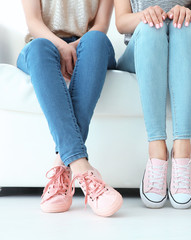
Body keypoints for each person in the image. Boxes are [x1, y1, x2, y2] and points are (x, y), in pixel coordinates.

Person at [17, 0, 122, 217]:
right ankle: (82, 168)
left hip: (87, 46)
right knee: (38, 47)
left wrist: (73, 49)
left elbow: (101, 25)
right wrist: (62, 47)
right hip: (43, 45)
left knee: (96, 40)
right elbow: (34, 22)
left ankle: (62, 166)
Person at [115, 0, 191, 209]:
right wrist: (146, 16)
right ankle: (157, 152)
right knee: (151, 26)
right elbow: (121, 22)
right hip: (143, 49)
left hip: (189, 49)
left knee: (184, 25)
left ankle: (182, 151)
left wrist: (187, 14)